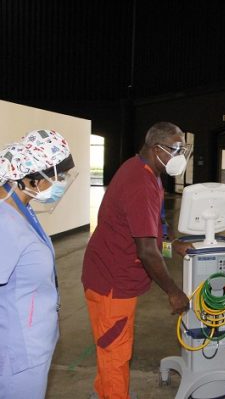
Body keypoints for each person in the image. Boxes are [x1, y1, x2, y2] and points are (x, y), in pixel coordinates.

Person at [82, 122, 193, 399]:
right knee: (116, 354)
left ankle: (105, 391)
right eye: (176, 149)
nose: (180, 155)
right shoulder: (140, 181)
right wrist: (173, 291)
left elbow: (144, 235)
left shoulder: (147, 171)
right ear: (156, 149)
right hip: (112, 283)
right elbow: (145, 250)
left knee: (112, 351)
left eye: (183, 149)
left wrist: (170, 244)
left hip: (112, 274)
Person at [0, 129, 76, 399]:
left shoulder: (23, 208)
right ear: (31, 176)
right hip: (18, 353)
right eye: (57, 176)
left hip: (35, 342)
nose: (61, 182)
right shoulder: (4, 221)